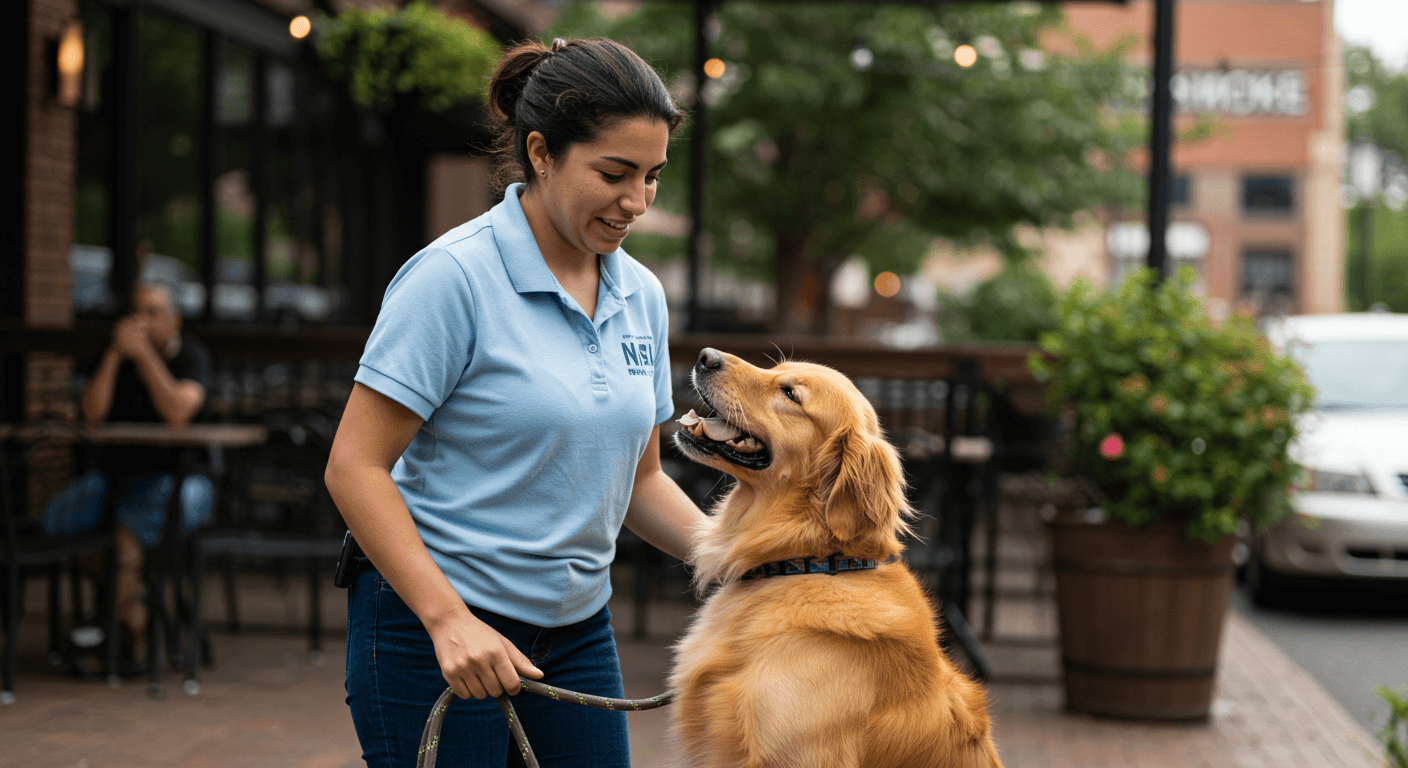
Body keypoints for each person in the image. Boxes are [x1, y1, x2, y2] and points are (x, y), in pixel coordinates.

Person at [323, 37, 708, 767]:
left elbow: (642, 480)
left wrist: (749, 561)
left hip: (576, 630)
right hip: (429, 627)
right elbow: (354, 468)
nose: (638, 203)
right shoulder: (453, 278)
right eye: (615, 173)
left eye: (653, 177)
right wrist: (447, 622)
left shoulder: (642, 296)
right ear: (541, 153)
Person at [42, 281, 215, 670]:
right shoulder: (116, 357)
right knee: (59, 522)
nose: (141, 321)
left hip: (180, 478)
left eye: (153, 312)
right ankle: (133, 607)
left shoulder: (191, 357)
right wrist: (115, 357)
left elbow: (178, 412)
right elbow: (91, 414)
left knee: (125, 539)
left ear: (175, 320)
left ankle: (115, 634)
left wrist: (146, 360)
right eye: (136, 311)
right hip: (114, 474)